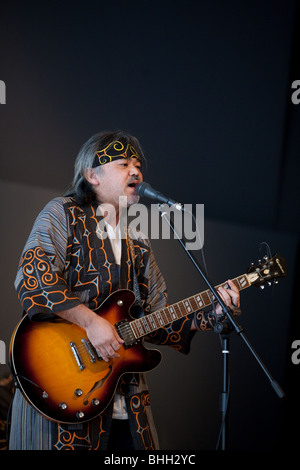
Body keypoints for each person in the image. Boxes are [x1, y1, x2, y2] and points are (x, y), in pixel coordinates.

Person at [9, 130, 240, 450]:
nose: (136, 171)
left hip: (126, 405)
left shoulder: (139, 242)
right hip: (61, 395)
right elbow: (34, 278)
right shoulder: (63, 213)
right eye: (122, 164)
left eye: (138, 165)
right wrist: (91, 322)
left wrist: (207, 315)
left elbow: (159, 321)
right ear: (92, 175)